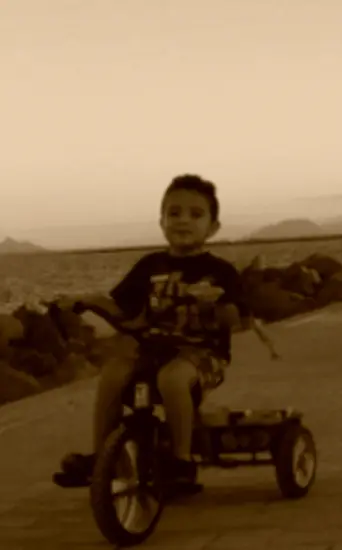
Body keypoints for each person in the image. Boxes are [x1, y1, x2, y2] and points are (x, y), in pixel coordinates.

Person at [57, 174, 253, 487]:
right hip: (153, 351)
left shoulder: (220, 272)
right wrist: (86, 301)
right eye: (173, 213)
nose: (183, 221)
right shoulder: (149, 266)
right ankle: (103, 457)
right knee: (112, 374)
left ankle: (182, 462)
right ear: (161, 222)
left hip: (204, 356)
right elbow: (121, 308)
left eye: (196, 214)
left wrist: (215, 305)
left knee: (172, 379)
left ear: (213, 227)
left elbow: (236, 320)